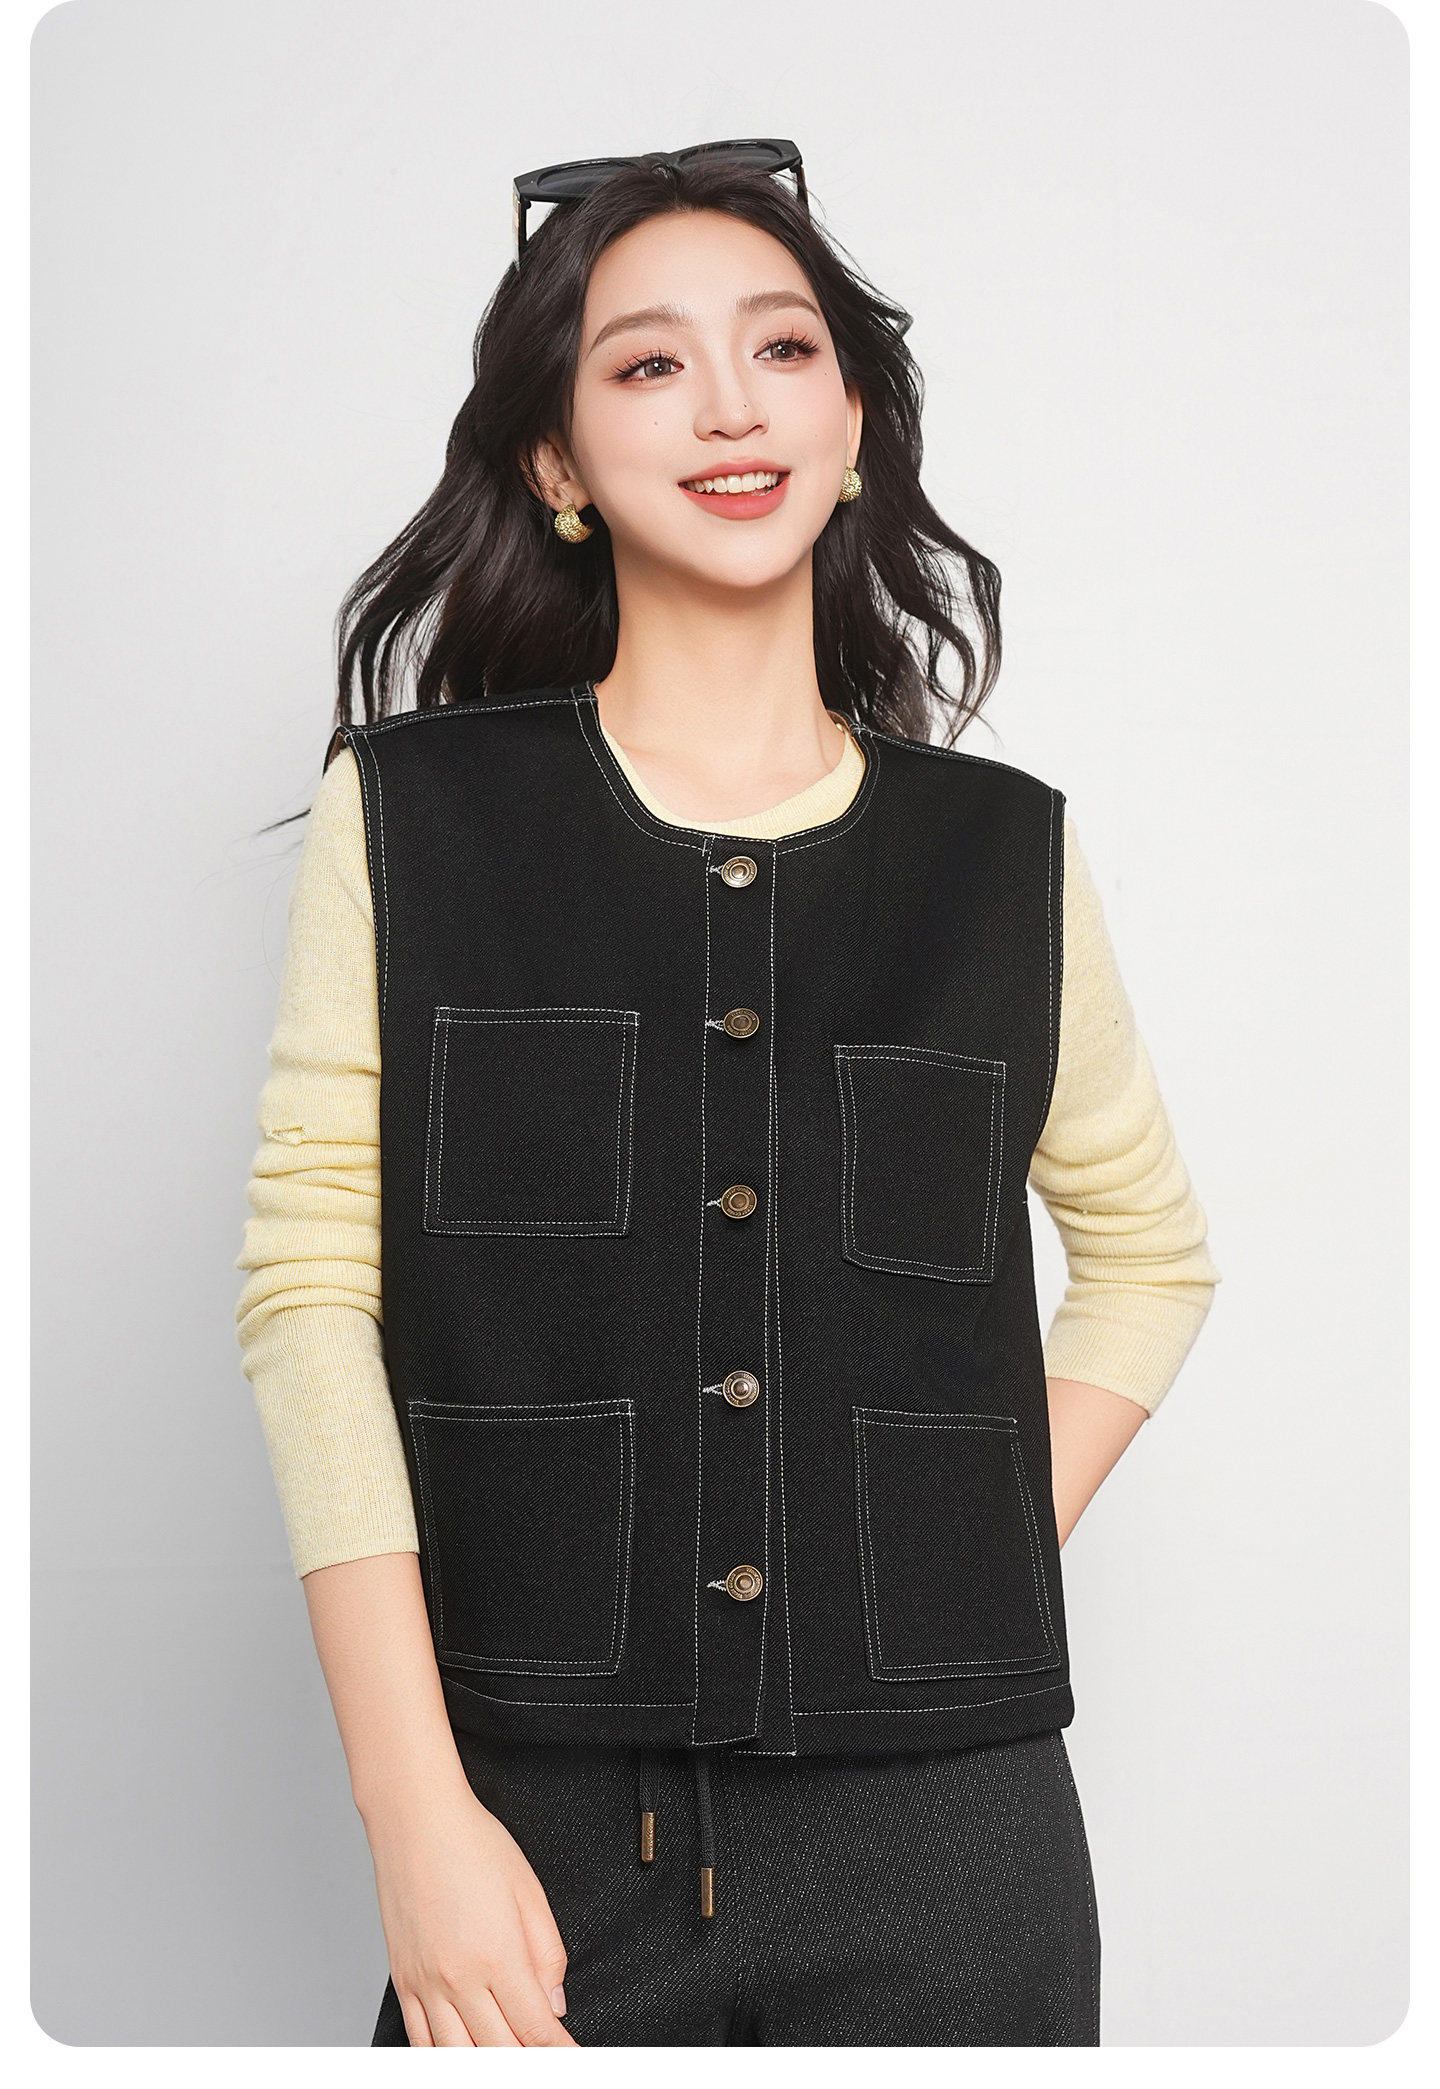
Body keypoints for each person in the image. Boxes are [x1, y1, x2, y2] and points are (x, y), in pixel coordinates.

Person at [234, 141, 1220, 2048]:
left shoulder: (1001, 856)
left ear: (852, 429)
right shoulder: (419, 823)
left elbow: (1152, 1258)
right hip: (533, 1837)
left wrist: (948, 1552)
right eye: (648, 363)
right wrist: (413, 1807)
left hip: (957, 1852)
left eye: (782, 348)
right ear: (558, 458)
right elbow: (308, 1297)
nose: (731, 406)